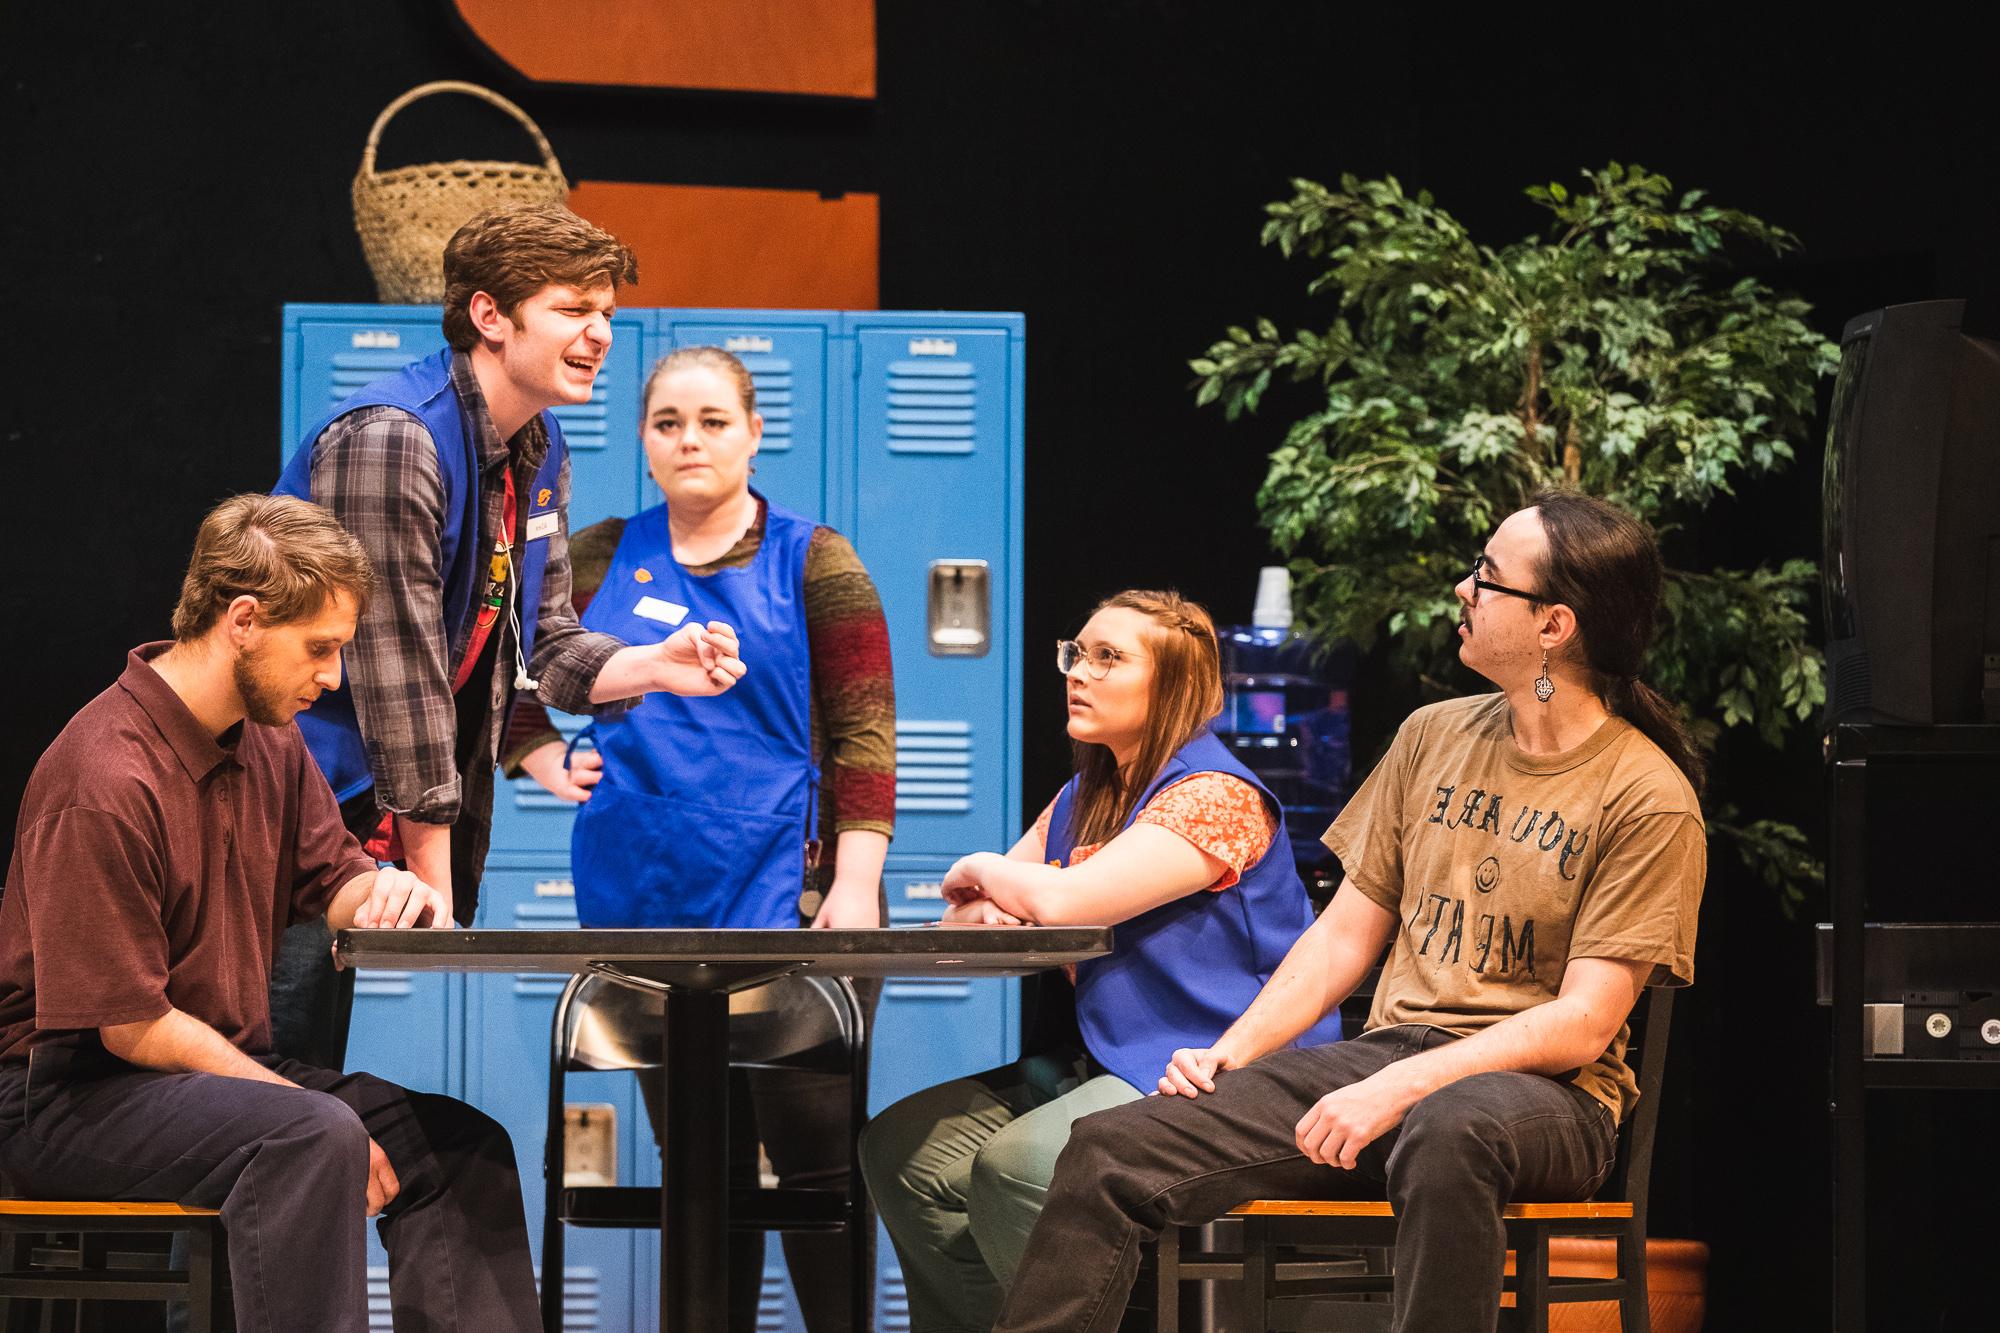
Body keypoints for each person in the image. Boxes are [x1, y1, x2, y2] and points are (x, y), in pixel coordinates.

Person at [989, 492, 1708, 1333]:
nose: (1461, 589)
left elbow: (1584, 1024)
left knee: (1450, 1129)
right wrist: (1230, 1054)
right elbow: (1342, 938)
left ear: (1554, 624)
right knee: (1113, 1144)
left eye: (1486, 577)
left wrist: (1399, 1086)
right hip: (1390, 1059)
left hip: (1547, 1097)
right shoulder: (1432, 735)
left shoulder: (1646, 795)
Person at [0, 495, 546, 1333]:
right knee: (312, 1138)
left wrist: (385, 890)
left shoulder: (267, 740)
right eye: (320, 649)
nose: (332, 677)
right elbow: (130, 1027)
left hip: (203, 1077)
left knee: (457, 1147)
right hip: (65, 1098)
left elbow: (333, 876)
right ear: (244, 619)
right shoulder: (104, 777)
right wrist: (313, 1113)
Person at [270, 204, 745, 1069]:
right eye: (573, 308)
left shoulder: (538, 442)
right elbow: (399, 676)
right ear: (490, 316)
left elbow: (549, 642)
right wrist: (440, 898)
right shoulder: (394, 439)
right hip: (285, 813)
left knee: (306, 1087)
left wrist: (657, 665)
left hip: (358, 824)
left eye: (607, 311)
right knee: (272, 1086)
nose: (601, 333)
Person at [502, 344, 895, 1332]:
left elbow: (863, 733)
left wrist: (854, 887)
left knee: (812, 1168)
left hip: (796, 902)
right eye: (668, 421)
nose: (690, 440)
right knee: (697, 1172)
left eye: (713, 420)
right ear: (641, 438)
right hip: (647, 906)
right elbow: (505, 684)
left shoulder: (817, 557)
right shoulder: (593, 554)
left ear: (754, 433)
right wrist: (546, 760)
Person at [859, 589, 1339, 1333]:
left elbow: (1059, 900)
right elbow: (984, 912)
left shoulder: (1214, 796)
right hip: (1114, 1060)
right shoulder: (1085, 793)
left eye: (1109, 657)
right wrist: (1006, 888)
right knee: (903, 1151)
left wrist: (992, 869)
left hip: (1222, 1071)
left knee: (1018, 1163)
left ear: (1176, 683)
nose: (1079, 672)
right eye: (1076, 653)